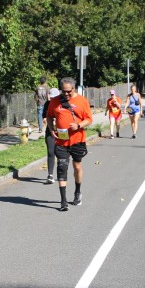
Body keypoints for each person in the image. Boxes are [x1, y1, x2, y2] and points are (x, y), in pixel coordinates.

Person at [45, 77, 92, 211]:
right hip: (61, 141)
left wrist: (78, 125)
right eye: (63, 91)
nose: (66, 94)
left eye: (68, 91)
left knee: (77, 166)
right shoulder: (55, 101)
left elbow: (89, 119)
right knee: (62, 167)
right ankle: (63, 201)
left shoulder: (82, 101)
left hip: (77, 140)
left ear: (74, 89)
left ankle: (77, 191)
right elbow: (49, 116)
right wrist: (51, 129)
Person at [42, 87, 60, 184]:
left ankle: (61, 173)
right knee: (50, 152)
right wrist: (45, 119)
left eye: (54, 97)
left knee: (61, 153)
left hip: (61, 131)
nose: (52, 99)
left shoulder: (62, 104)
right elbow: (44, 116)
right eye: (51, 97)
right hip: (50, 130)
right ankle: (50, 175)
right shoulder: (47, 104)